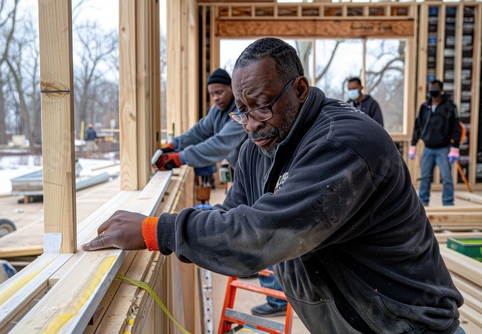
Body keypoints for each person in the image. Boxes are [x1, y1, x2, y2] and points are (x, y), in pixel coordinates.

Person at [83, 38, 464, 333]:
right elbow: (233, 216)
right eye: (241, 110)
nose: (250, 123)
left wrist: (157, 230)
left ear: (299, 88)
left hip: (405, 325)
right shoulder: (259, 146)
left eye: (262, 105)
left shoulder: (342, 144)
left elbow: (262, 235)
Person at [153, 68, 247, 176]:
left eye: (219, 92)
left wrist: (180, 158)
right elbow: (199, 132)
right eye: (212, 94)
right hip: (241, 171)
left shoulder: (243, 111)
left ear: (231, 87)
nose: (215, 98)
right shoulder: (217, 110)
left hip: (258, 171)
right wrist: (174, 145)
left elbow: (221, 143)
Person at [408, 80, 461, 206]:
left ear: (441, 90)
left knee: (447, 178)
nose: (432, 89)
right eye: (431, 87)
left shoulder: (449, 107)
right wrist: (413, 144)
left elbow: (456, 127)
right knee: (424, 178)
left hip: (444, 148)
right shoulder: (425, 106)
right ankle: (422, 203)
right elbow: (418, 126)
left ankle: (448, 203)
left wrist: (455, 147)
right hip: (428, 149)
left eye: (435, 87)